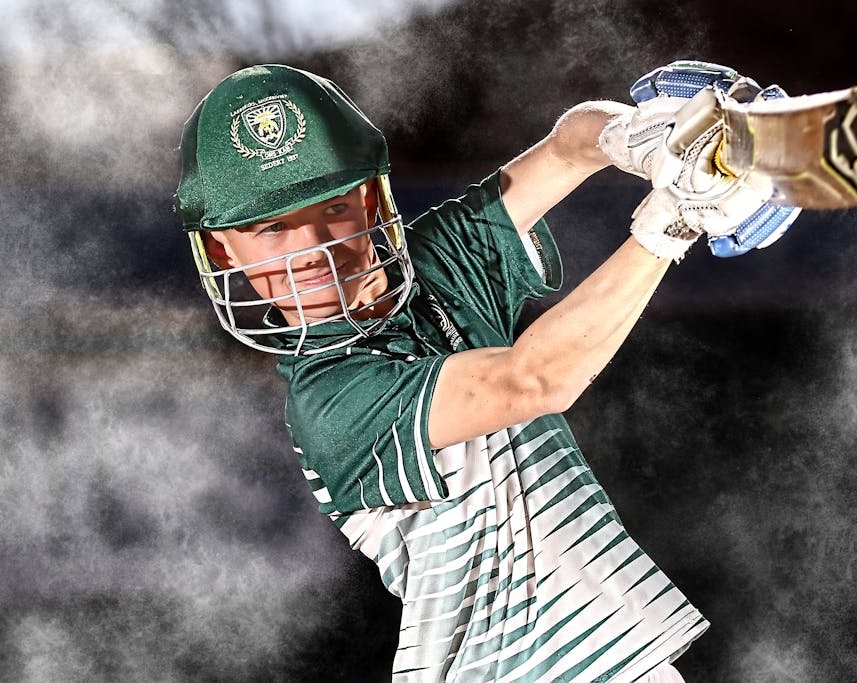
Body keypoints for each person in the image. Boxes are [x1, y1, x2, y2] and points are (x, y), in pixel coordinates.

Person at [175, 62, 797, 682]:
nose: (308, 250)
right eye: (271, 228)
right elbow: (531, 381)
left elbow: (563, 148)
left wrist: (643, 138)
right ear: (225, 247)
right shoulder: (327, 399)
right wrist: (673, 220)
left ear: (368, 199)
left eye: (330, 208)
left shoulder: (435, 263)